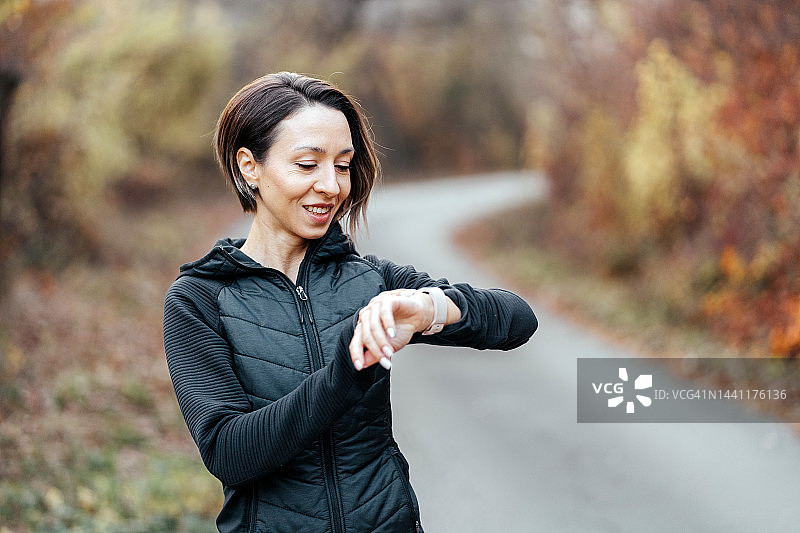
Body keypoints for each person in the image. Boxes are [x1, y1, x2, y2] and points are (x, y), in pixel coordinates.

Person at [163, 72, 537, 533]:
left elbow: (518, 319)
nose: (331, 186)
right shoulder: (199, 299)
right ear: (249, 167)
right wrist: (345, 372)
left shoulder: (370, 279)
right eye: (307, 164)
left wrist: (430, 310)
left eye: (342, 165)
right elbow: (229, 453)